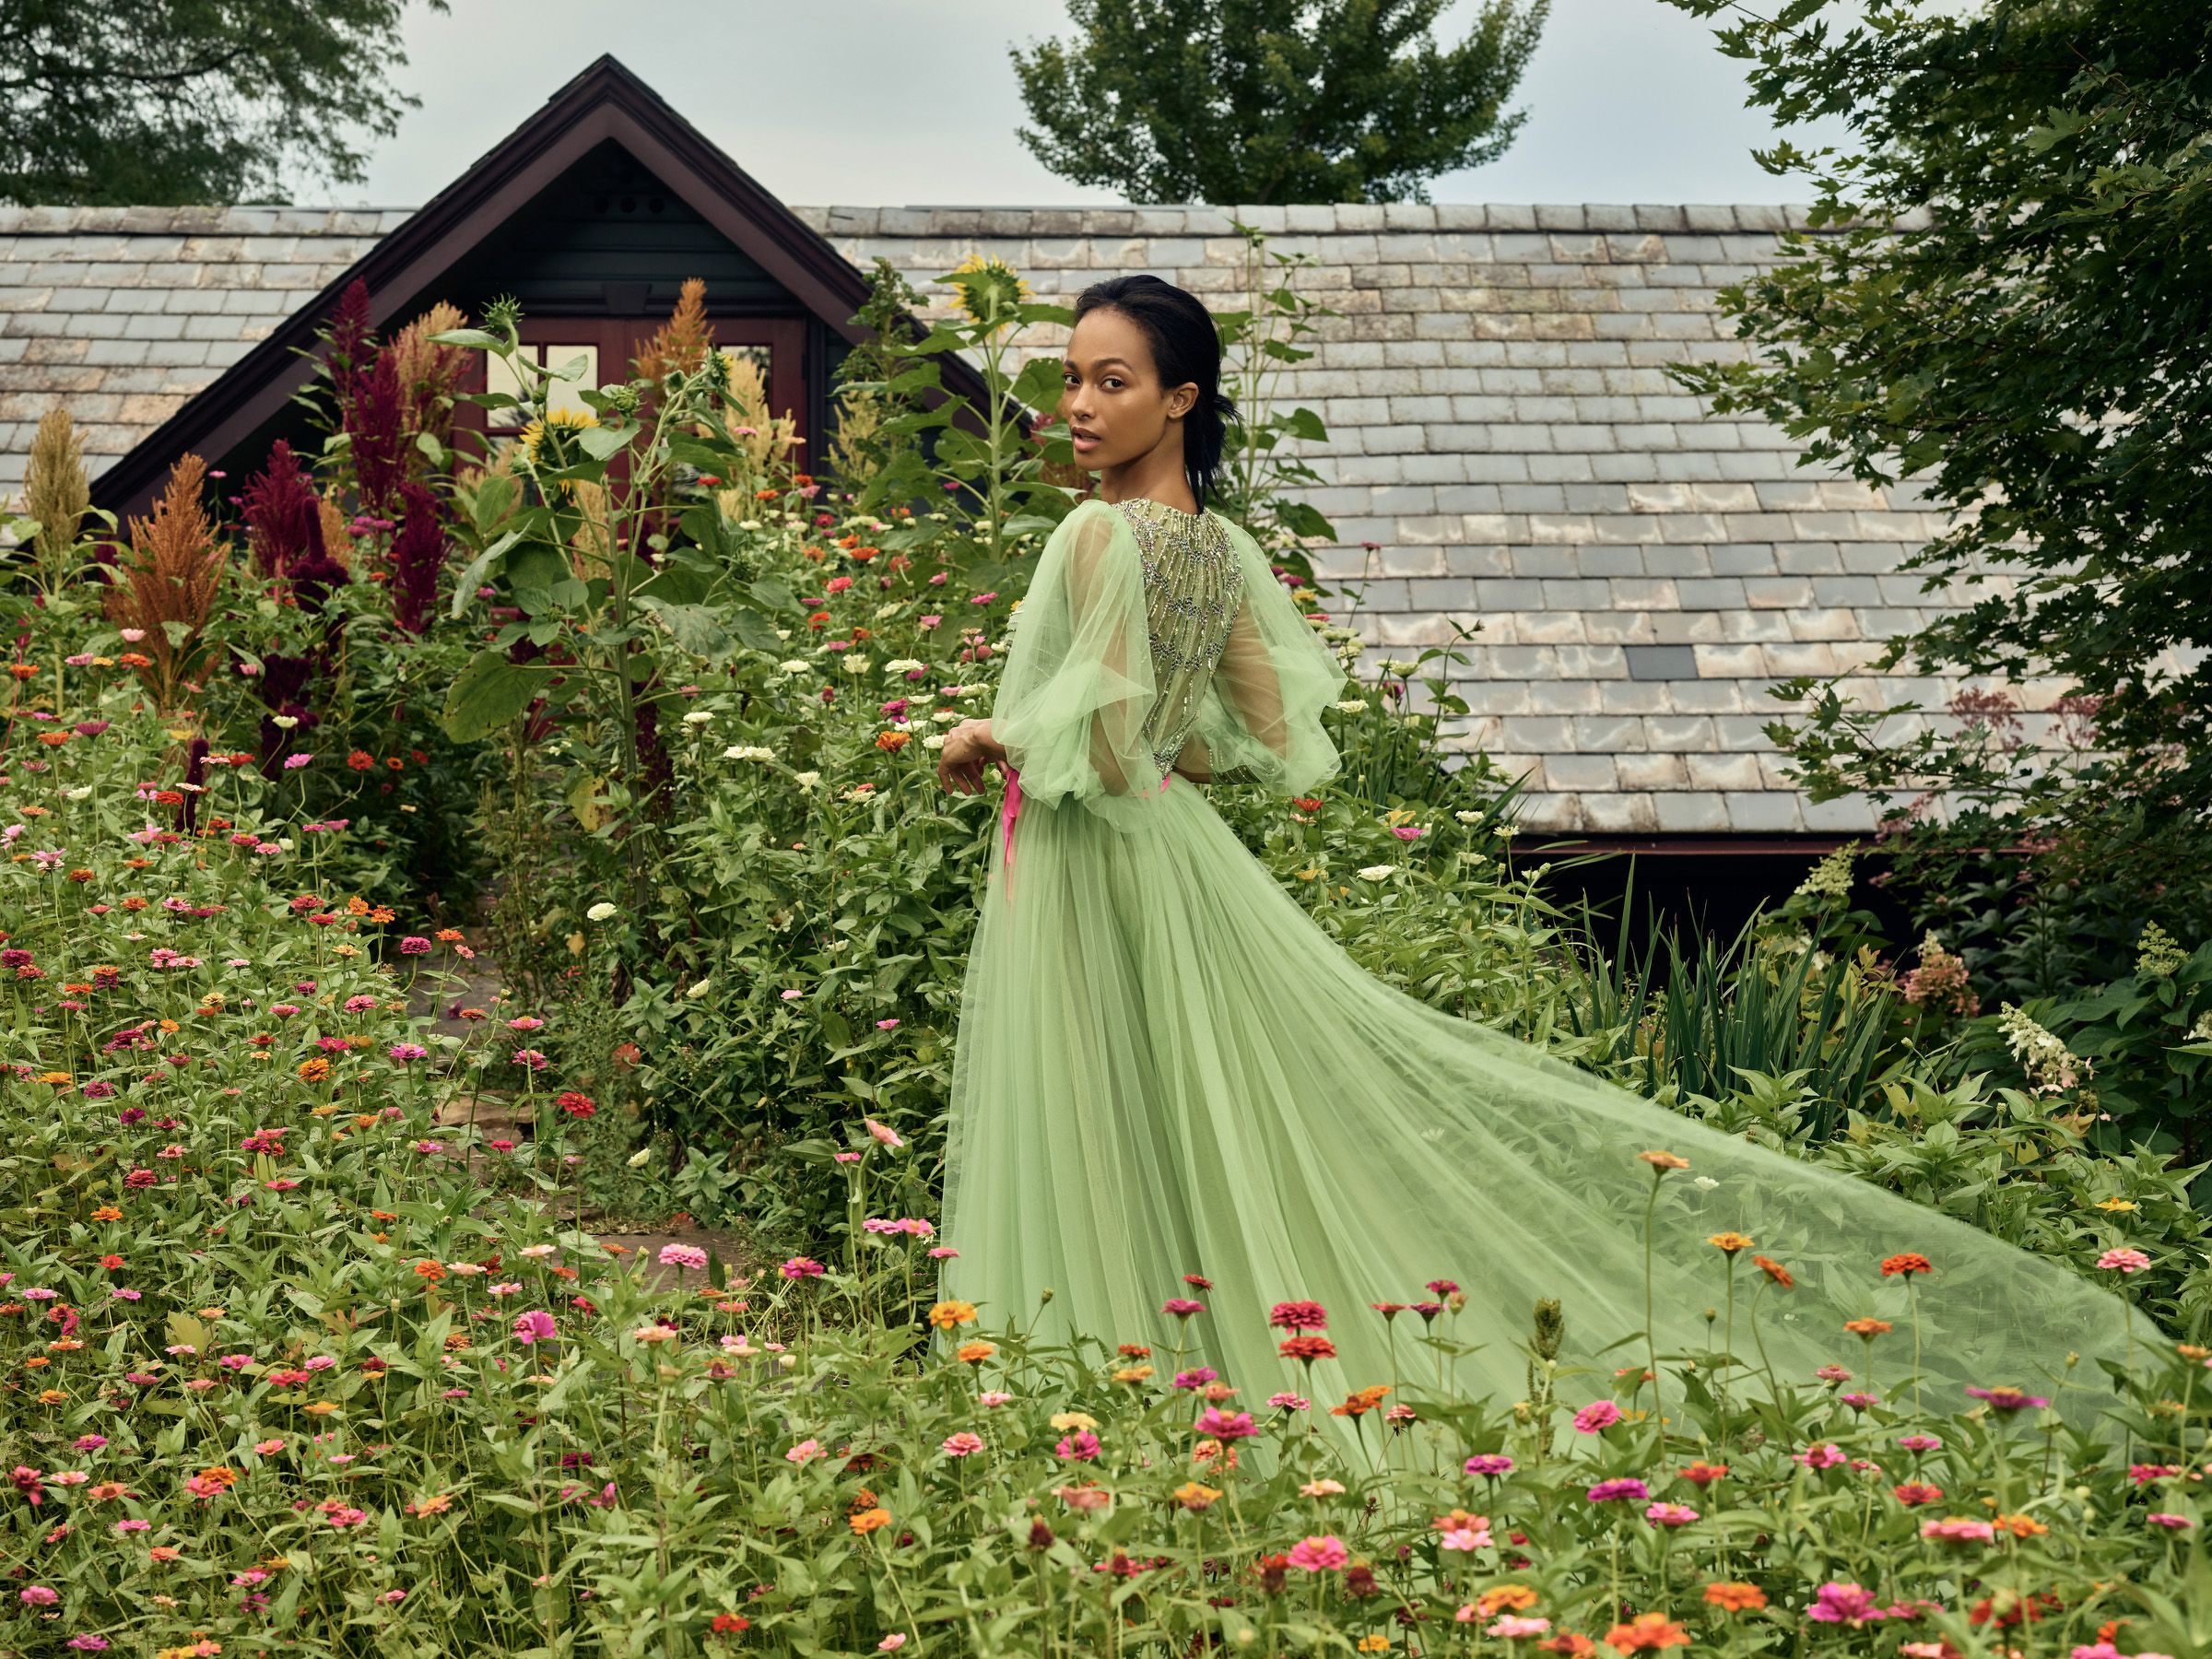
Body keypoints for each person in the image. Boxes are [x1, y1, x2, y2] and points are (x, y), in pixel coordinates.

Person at [930, 272, 2136, 1476]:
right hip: (1178, 855)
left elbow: (1092, 744)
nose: (1076, 406)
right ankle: (1208, 1405)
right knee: (1201, 1118)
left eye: (1111, 381)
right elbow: (1261, 739)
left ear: (1181, 397)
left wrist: (992, 739)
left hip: (1095, 864)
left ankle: (1087, 1420)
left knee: (1099, 1118)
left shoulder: (1093, 534)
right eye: (1074, 379)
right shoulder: (1219, 548)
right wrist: (1130, 746)